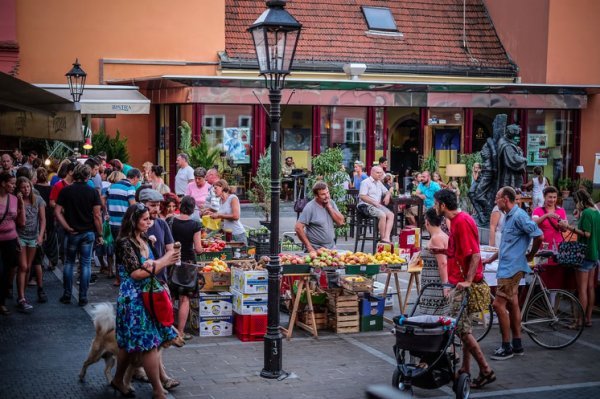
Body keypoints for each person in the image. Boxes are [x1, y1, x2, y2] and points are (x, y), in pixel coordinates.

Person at [113, 203, 179, 399]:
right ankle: (158, 391)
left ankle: (118, 379)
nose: (149, 222)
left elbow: (152, 267)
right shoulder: (125, 243)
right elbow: (135, 273)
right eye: (145, 219)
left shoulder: (143, 238)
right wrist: (164, 261)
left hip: (149, 296)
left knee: (127, 344)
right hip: (134, 299)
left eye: (149, 218)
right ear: (134, 221)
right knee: (149, 343)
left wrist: (160, 267)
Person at [433, 189, 495, 389]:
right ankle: (466, 369)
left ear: (443, 205)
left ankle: (485, 369)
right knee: (464, 329)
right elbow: (460, 251)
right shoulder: (458, 221)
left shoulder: (462, 222)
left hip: (463, 284)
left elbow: (475, 254)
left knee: (460, 328)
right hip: (459, 281)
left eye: (436, 203)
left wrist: (468, 280)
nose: (435, 207)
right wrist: (442, 250)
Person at [483, 186, 543, 360]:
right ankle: (517, 344)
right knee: (513, 304)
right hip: (507, 266)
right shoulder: (508, 217)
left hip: (512, 269)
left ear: (506, 199)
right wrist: (491, 258)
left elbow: (538, 236)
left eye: (497, 197)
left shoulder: (519, 216)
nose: (495, 201)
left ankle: (506, 346)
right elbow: (506, 246)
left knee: (498, 305)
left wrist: (531, 255)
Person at [138, 189, 180, 390]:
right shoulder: (137, 228)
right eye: (152, 205)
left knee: (158, 332)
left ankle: (135, 371)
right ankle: (161, 378)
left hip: (161, 284)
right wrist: (163, 260)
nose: (156, 209)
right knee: (152, 334)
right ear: (142, 204)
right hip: (143, 287)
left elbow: (171, 248)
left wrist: (165, 259)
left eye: (157, 206)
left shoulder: (162, 224)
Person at [55, 164, 103, 306]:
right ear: (88, 176)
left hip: (72, 232)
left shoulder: (66, 191)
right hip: (88, 232)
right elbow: (97, 215)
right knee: (86, 264)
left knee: (69, 263)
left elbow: (57, 212)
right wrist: (100, 233)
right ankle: (83, 296)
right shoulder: (93, 192)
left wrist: (66, 226)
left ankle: (67, 294)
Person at [559, 189, 600, 328]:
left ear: (579, 201)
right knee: (590, 288)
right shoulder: (595, 212)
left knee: (582, 289)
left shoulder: (587, 213)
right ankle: (587, 319)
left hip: (584, 253)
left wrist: (568, 227)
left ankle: (579, 321)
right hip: (594, 253)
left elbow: (586, 234)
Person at [168, 196, 202, 341]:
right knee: (184, 299)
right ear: (193, 208)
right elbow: (198, 248)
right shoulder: (195, 224)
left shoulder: (170, 220)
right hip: (188, 263)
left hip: (171, 260)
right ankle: (180, 332)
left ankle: (167, 329)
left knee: (170, 297)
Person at [14, 176, 46, 312]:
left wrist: (40, 235)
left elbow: (43, 220)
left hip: (33, 237)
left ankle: (23, 294)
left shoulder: (38, 200)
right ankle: (21, 297)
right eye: (23, 187)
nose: (26, 189)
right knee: (23, 266)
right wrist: (20, 202)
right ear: (19, 189)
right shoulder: (16, 201)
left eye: (28, 186)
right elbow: (18, 221)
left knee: (27, 268)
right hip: (20, 236)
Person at [107, 168, 141, 285]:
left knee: (117, 251)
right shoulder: (130, 188)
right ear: (135, 177)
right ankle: (126, 277)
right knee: (127, 251)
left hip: (113, 224)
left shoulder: (113, 186)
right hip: (124, 225)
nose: (137, 182)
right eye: (138, 179)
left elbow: (104, 198)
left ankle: (118, 278)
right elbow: (133, 206)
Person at [532, 186, 568, 289]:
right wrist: (547, 216)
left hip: (558, 247)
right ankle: (544, 297)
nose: (552, 200)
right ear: (544, 197)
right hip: (543, 247)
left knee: (557, 274)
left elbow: (565, 229)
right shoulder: (538, 210)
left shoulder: (561, 211)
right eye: (550, 197)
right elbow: (533, 223)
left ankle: (553, 301)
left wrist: (563, 225)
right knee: (543, 273)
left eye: (554, 197)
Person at [295, 181, 345, 253]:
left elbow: (340, 222)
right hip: (316, 250)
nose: (327, 196)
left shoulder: (331, 203)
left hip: (331, 248)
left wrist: (329, 208)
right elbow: (298, 228)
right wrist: (309, 247)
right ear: (316, 196)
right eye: (323, 194)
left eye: (327, 192)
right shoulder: (310, 207)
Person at [0, 172, 24, 315]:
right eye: (12, 183)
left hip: (10, 239)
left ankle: (1, 301)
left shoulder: (14, 199)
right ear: (3, 183)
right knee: (0, 270)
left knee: (8, 271)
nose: (14, 186)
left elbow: (20, 222)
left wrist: (17, 239)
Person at [420, 208, 449, 315]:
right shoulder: (443, 236)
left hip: (435, 285)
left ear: (427, 222)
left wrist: (445, 285)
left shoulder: (437, 238)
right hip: (433, 284)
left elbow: (442, 263)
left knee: (435, 317)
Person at [357, 166, 394, 243]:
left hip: (377, 206)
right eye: (378, 173)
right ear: (372, 172)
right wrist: (374, 202)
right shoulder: (365, 182)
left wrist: (387, 196)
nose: (380, 174)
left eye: (381, 173)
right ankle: (382, 238)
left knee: (391, 215)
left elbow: (387, 191)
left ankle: (386, 237)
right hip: (366, 206)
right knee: (382, 215)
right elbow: (362, 196)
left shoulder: (379, 183)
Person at [207, 180, 247, 244]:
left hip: (237, 234)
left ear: (222, 187)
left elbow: (236, 216)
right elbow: (224, 218)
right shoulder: (220, 201)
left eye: (215, 188)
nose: (214, 191)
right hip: (228, 235)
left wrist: (219, 215)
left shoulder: (233, 198)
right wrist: (214, 215)